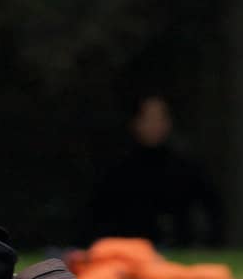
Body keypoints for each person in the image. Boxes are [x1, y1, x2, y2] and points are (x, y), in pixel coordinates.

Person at [89, 94, 224, 248]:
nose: (155, 125)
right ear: (136, 122)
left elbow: (212, 208)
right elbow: (99, 215)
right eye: (148, 118)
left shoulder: (185, 166)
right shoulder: (117, 168)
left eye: (160, 118)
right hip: (128, 250)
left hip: (178, 248)